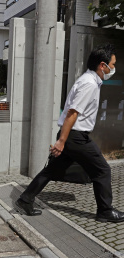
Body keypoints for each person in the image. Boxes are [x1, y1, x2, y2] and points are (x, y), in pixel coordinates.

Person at [15, 43, 124, 223]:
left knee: (52, 170)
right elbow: (73, 113)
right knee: (102, 170)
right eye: (112, 64)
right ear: (102, 65)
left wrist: (62, 140)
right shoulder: (89, 84)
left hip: (72, 136)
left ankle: (25, 200)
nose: (114, 68)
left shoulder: (90, 81)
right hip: (75, 137)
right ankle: (105, 211)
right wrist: (62, 141)